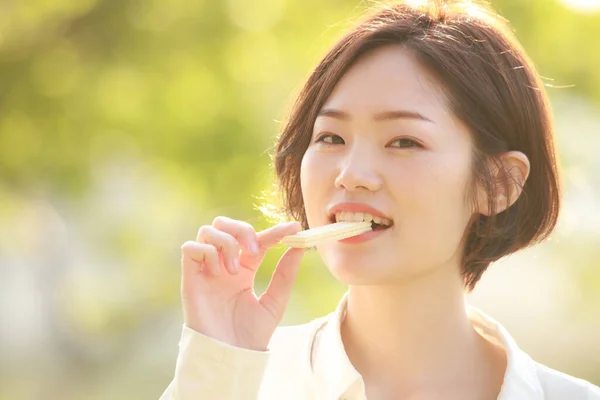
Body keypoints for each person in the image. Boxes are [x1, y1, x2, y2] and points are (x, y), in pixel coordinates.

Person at [160, 1, 600, 399]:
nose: (351, 174)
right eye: (330, 137)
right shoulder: (235, 380)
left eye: (404, 141)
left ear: (499, 183)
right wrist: (219, 367)